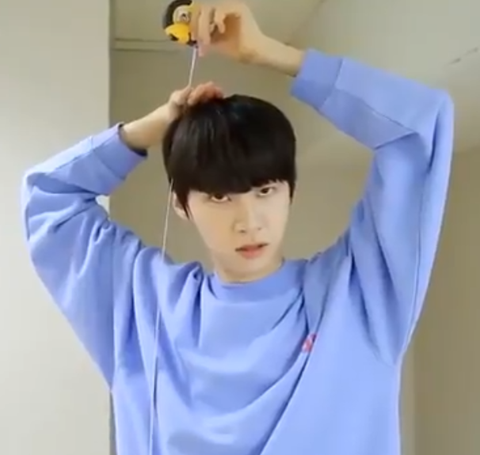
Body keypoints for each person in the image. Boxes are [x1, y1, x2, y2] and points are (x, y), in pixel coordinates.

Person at [21, 1, 454, 454]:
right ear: (182, 206)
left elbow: (420, 126)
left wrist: (269, 53)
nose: (249, 221)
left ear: (291, 191)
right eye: (219, 197)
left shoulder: (359, 296)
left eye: (265, 190)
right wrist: (160, 124)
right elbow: (48, 197)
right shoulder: (143, 307)